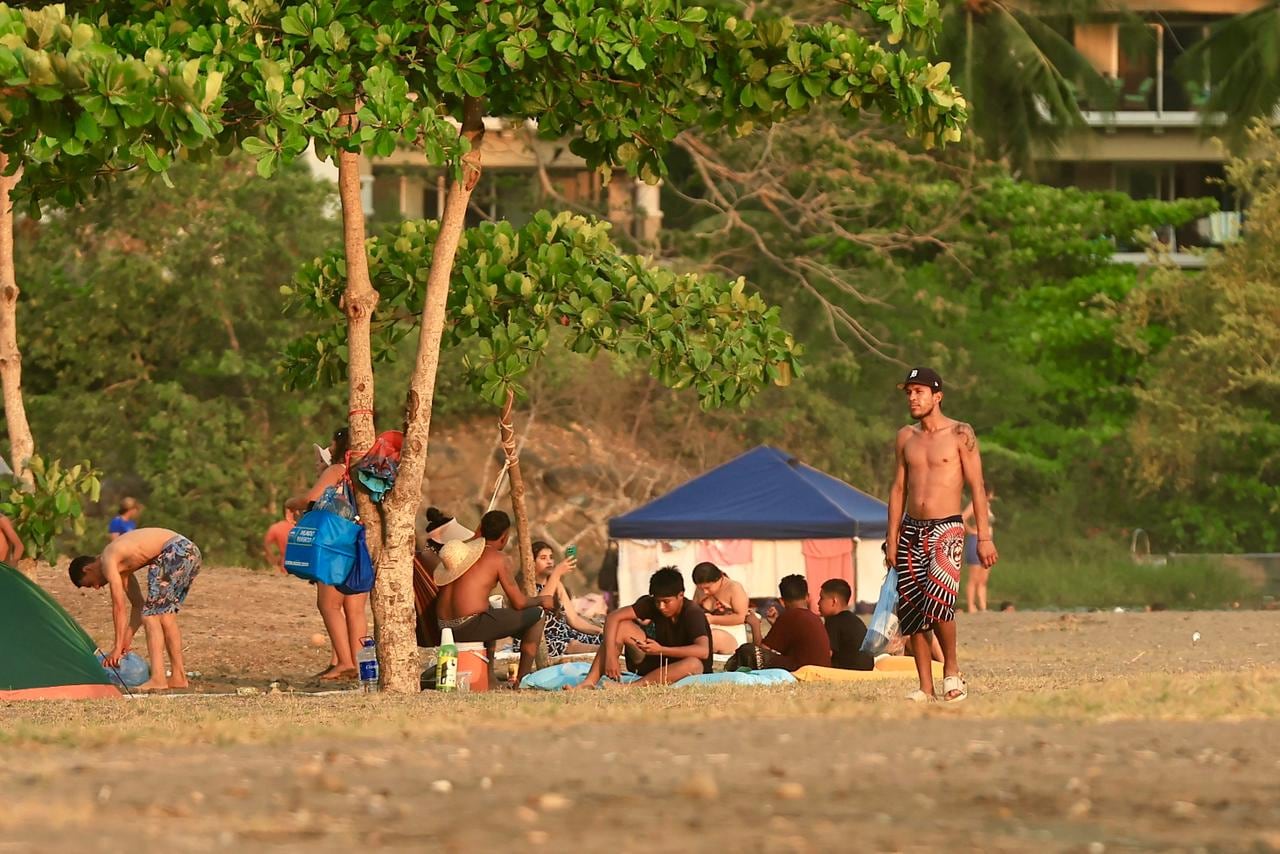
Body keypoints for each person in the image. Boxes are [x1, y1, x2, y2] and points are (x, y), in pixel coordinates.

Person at [889, 367, 997, 703]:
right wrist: (891, 538)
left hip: (946, 527)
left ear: (937, 396)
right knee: (912, 609)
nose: (912, 398)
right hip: (911, 528)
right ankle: (925, 686)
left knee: (939, 606)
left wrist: (984, 536)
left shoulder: (961, 434)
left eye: (919, 392)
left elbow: (977, 486)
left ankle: (952, 672)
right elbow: (898, 489)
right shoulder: (906, 436)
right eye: (908, 392)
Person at [434, 510, 564, 683]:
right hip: (469, 626)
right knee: (537, 615)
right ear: (504, 537)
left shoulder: (463, 554)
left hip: (442, 628)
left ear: (480, 529)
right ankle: (523, 680)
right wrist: (542, 600)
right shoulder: (498, 558)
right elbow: (519, 602)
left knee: (492, 610)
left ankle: (489, 678)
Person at [68, 528, 201, 691]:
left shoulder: (108, 558)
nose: (96, 587)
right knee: (165, 615)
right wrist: (125, 641)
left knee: (150, 616)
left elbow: (119, 606)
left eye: (90, 584)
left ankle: (158, 679)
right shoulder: (122, 569)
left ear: (87, 569)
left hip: (174, 551)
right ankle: (178, 677)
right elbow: (137, 604)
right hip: (189, 551)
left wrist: (117, 648)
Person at [573, 566, 712, 689]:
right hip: (658, 660)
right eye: (658, 602)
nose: (661, 607)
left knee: (694, 663)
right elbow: (613, 617)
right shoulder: (650, 603)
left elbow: (703, 651)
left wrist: (662, 650)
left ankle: (631, 687)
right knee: (621, 626)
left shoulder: (693, 613)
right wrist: (610, 656)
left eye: (666, 602)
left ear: (680, 595)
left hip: (684, 666)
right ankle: (589, 682)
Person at [305, 427, 366, 681]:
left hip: (336, 543)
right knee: (355, 609)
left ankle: (344, 662)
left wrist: (290, 503)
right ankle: (361, 664)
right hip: (361, 543)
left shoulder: (337, 470)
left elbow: (311, 498)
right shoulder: (363, 473)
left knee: (328, 604)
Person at [728, 575, 831, 672]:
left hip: (802, 670)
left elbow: (759, 651)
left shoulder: (789, 616)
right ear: (807, 597)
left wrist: (755, 624)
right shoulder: (814, 617)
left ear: (781, 601)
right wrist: (776, 624)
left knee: (747, 650)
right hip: (820, 670)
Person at [528, 541, 601, 658]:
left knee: (602, 636)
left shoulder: (557, 584)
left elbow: (574, 619)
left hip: (564, 634)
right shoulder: (527, 586)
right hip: (543, 639)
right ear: (531, 562)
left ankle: (609, 648)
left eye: (551, 557)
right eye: (543, 558)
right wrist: (556, 574)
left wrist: (600, 631)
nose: (549, 561)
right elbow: (540, 606)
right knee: (571, 644)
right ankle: (605, 651)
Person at [817, 578, 874, 671]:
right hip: (866, 671)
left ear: (833, 601)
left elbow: (826, 655)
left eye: (822, 598)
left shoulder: (833, 621)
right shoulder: (856, 620)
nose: (818, 602)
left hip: (849, 673)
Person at [692, 561, 749, 654]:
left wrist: (712, 619)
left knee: (712, 637)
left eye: (708, 588)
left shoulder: (734, 587)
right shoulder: (701, 589)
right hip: (704, 632)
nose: (705, 592)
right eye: (701, 588)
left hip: (730, 634)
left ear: (718, 579)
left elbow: (741, 617)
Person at [963, 485, 997, 613]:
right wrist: (970, 530)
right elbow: (962, 517)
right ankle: (971, 605)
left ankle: (983, 606)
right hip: (976, 540)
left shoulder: (987, 506)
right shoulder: (975, 504)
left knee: (984, 577)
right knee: (974, 577)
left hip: (988, 541)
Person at [263, 496, 307, 574]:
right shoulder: (306, 528)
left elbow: (266, 545)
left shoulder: (276, 528)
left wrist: (274, 561)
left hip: (286, 567)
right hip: (304, 568)